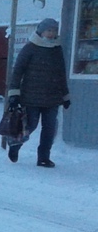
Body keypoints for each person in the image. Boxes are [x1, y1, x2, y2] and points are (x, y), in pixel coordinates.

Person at [6, 17, 70, 167]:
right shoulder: (31, 47)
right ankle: (16, 144)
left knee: (49, 129)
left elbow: (61, 73)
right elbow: (18, 71)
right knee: (31, 125)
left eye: (54, 31)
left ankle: (43, 157)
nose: (51, 33)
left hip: (53, 97)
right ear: (41, 31)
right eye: (49, 30)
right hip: (31, 96)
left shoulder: (57, 49)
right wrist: (14, 93)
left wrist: (65, 95)